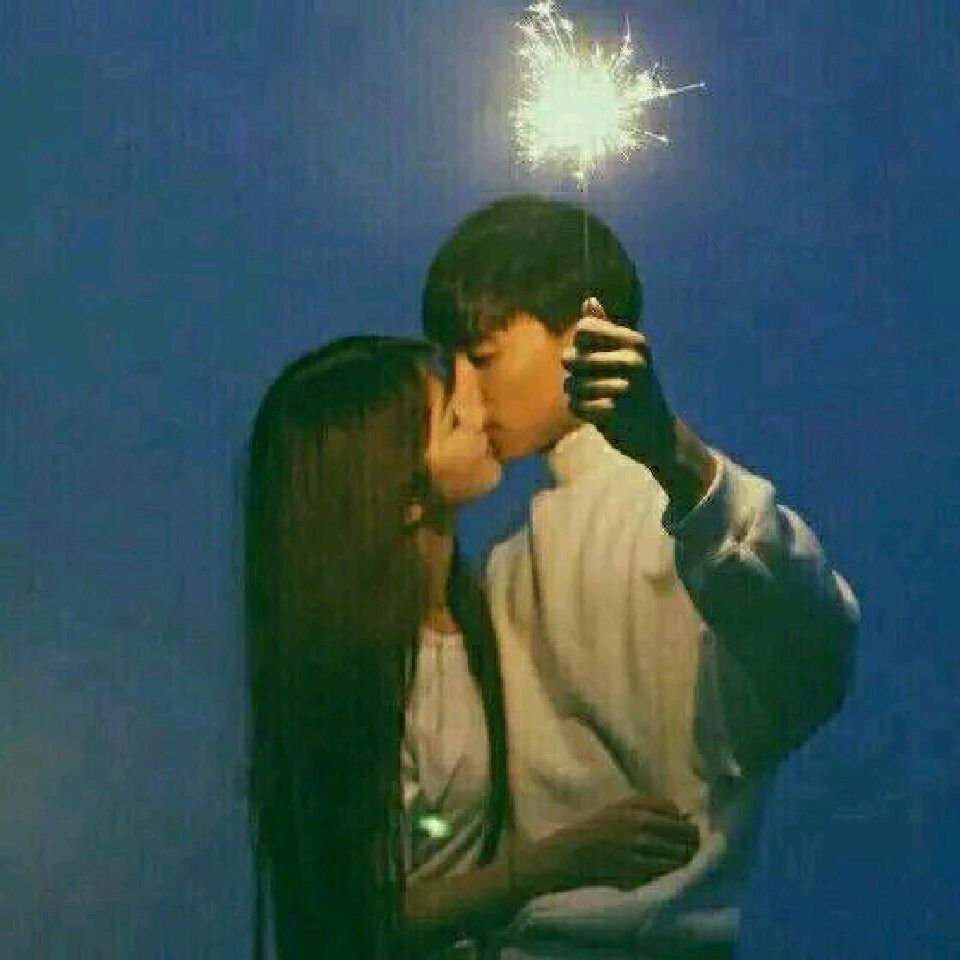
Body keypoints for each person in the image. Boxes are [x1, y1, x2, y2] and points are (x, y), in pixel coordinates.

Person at [421, 196, 861, 958]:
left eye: (483, 357)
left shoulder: (689, 520)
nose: (463, 392)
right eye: (451, 364)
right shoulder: (504, 568)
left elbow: (815, 650)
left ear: (583, 333)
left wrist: (672, 453)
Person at [242, 335, 700, 960]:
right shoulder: (360, 679)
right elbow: (360, 919)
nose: (479, 412)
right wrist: (563, 861)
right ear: (402, 497)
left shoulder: (478, 613)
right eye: (452, 420)